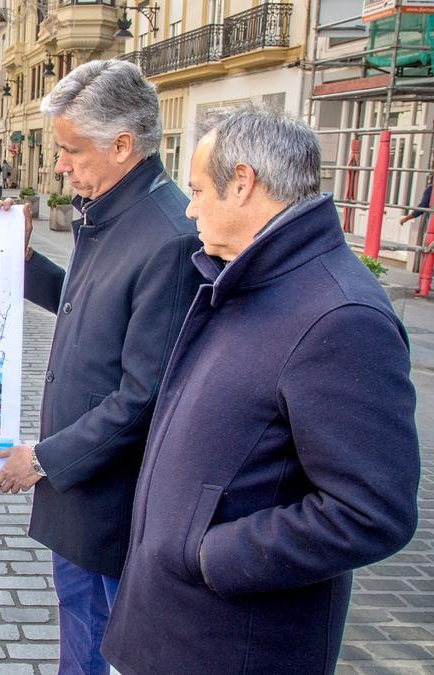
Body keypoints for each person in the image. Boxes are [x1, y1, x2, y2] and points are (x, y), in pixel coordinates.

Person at [100, 108, 420, 674]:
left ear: (242, 183)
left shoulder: (339, 315)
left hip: (230, 643)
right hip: (174, 625)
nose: (191, 206)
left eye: (198, 190)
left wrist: (208, 553)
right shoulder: (252, 276)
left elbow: (370, 511)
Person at [0, 59, 204, 675]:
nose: (60, 165)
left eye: (71, 150)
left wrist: (46, 457)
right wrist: (19, 257)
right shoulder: (111, 210)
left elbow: (143, 397)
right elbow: (85, 306)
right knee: (78, 634)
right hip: (81, 494)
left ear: (123, 146)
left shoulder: (168, 238)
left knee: (107, 644)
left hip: (113, 502)